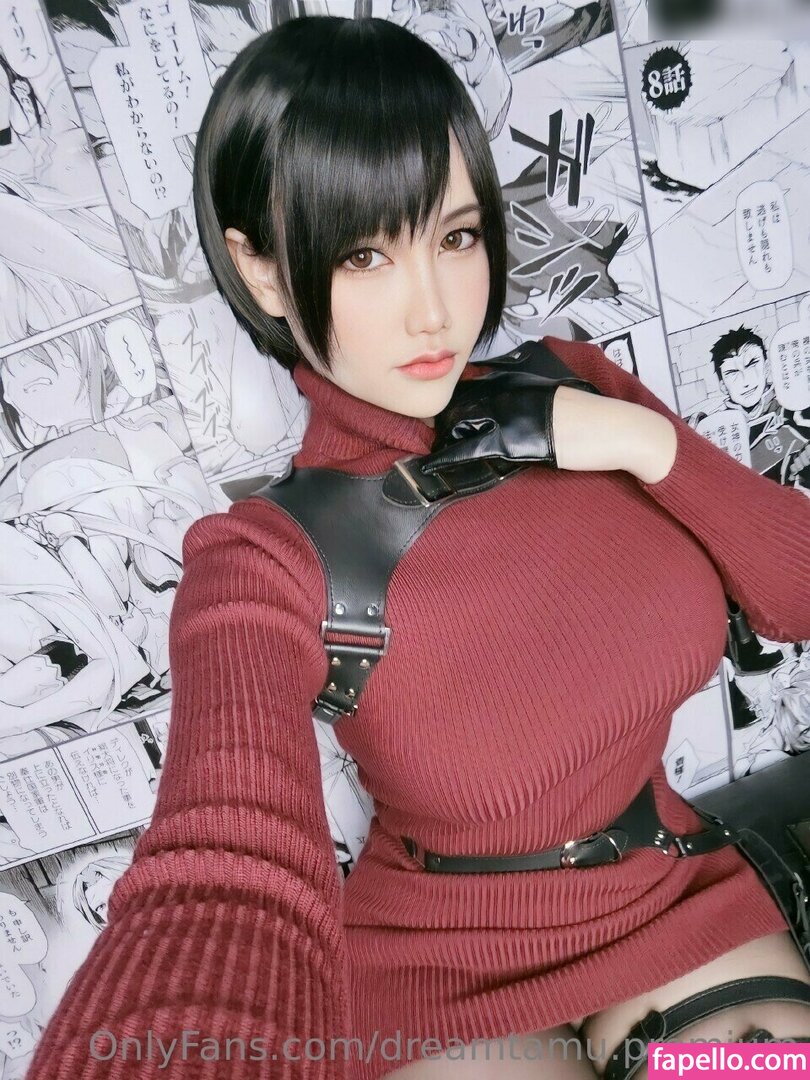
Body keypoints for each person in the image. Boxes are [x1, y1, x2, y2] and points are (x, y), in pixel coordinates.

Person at [23, 14, 810, 1080]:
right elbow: (221, 860)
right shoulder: (261, 560)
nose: (434, 309)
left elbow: (796, 591)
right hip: (435, 974)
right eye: (365, 254)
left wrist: (642, 442)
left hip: (669, 893)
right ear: (263, 273)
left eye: (455, 237)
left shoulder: (574, 384)